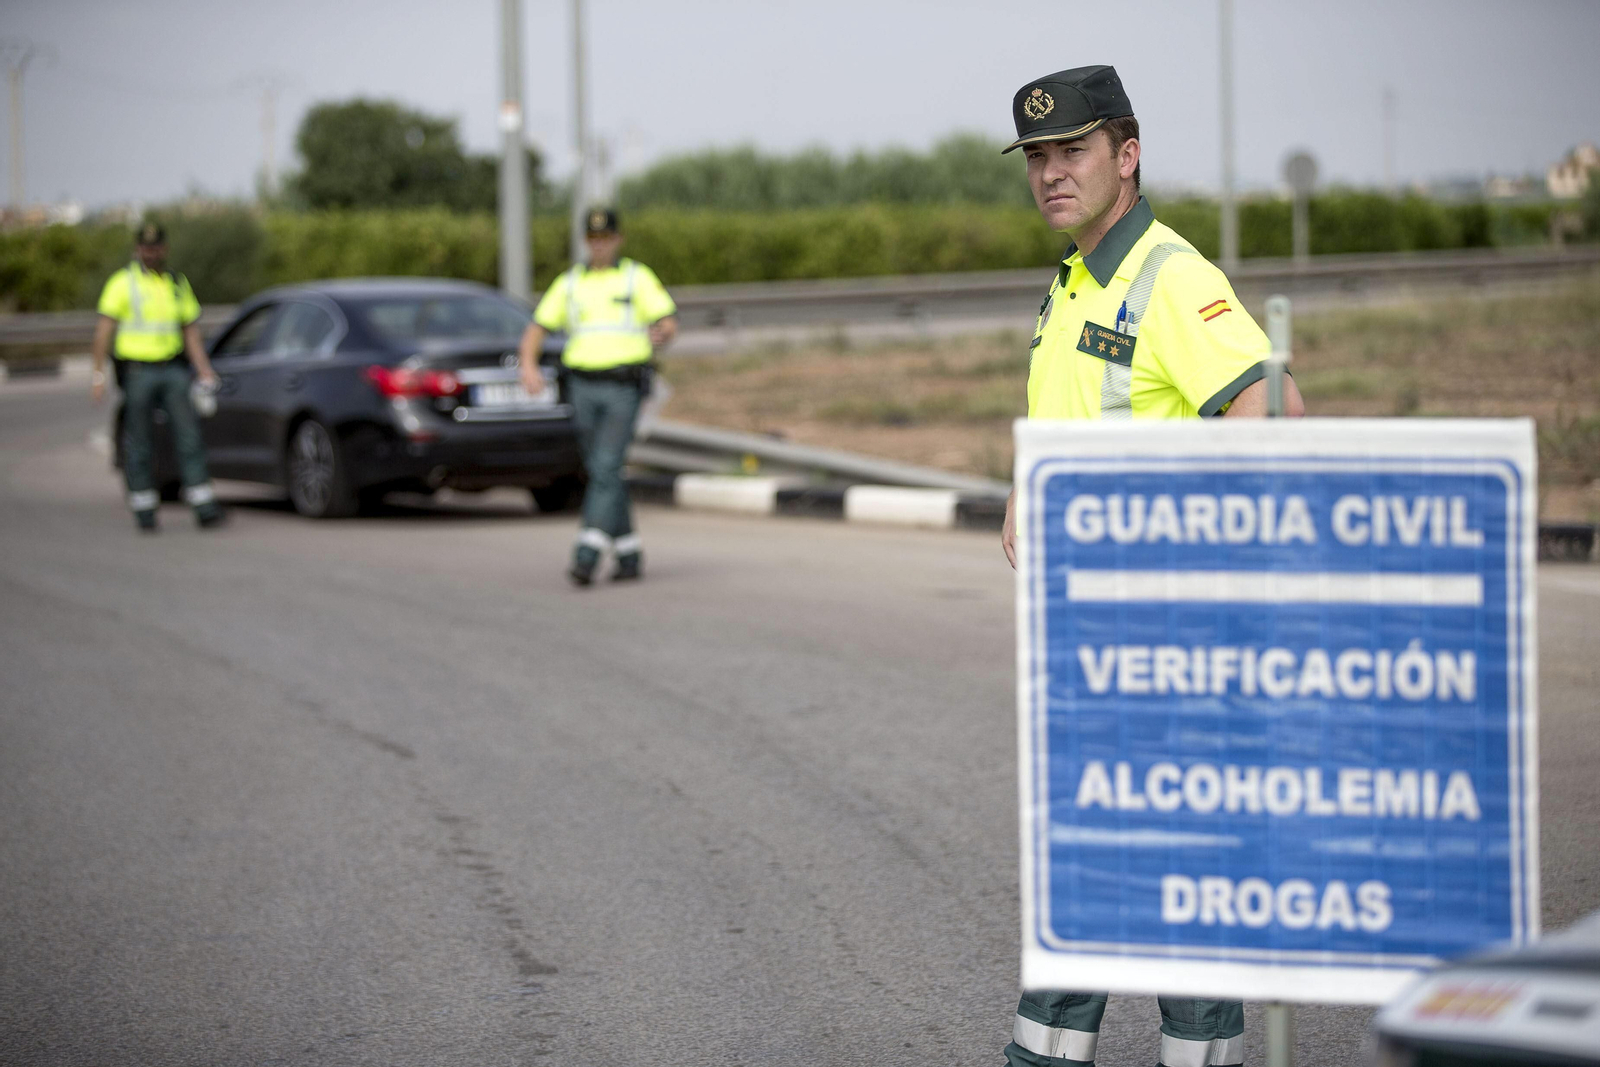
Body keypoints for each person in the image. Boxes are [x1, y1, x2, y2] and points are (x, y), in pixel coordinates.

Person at [996, 66, 1304, 1067]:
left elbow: (1278, 422)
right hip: (1091, 645)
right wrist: (1024, 486)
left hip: (1169, 645)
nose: (1050, 174)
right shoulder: (1080, 273)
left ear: (1126, 156)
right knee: (1093, 872)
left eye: (1071, 151)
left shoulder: (1172, 278)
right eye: (1037, 157)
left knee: (1176, 876)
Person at [517, 208, 678, 585]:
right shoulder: (571, 283)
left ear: (618, 240)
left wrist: (664, 334)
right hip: (582, 385)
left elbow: (668, 321)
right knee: (601, 470)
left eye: (606, 238)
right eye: (593, 239)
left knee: (605, 468)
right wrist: (528, 366)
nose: (599, 245)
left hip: (623, 385)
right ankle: (629, 553)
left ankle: (586, 553)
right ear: (586, 242)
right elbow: (537, 328)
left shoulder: (636, 278)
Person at [91, 222, 224, 532]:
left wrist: (205, 370)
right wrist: (98, 373)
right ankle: (144, 508)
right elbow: (103, 331)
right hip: (138, 372)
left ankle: (203, 504)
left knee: (189, 435)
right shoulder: (123, 283)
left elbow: (189, 330)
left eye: (156, 248)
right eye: (146, 248)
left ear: (164, 249)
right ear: (138, 250)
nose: (151, 253)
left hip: (174, 370)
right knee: (139, 441)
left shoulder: (177, 283)